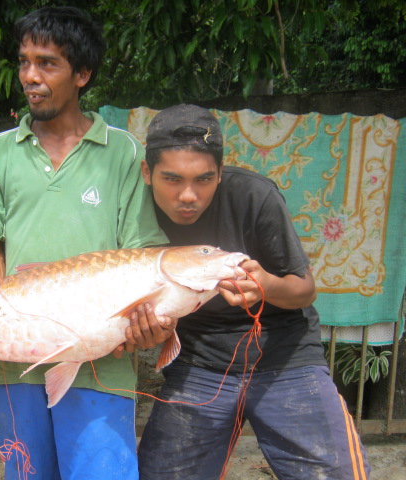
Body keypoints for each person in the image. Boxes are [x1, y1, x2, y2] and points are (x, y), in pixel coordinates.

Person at [0, 6, 170, 479]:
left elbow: (142, 260)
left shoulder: (123, 152)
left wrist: (151, 321)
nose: (30, 77)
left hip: (102, 362)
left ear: (83, 74)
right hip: (15, 364)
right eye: (24, 62)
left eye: (47, 64)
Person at [137, 104, 370, 479]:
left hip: (285, 358)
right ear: (147, 172)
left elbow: (304, 290)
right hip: (199, 365)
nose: (188, 195)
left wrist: (265, 286)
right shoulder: (135, 210)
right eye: (172, 179)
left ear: (220, 172)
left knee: (338, 473)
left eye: (203, 180)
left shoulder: (254, 196)